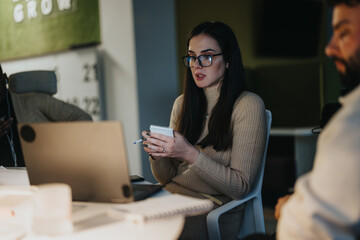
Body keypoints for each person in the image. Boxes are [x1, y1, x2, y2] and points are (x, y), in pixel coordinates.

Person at [141, 21, 267, 239]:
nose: (196, 65)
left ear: (227, 60)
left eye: (206, 56)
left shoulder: (248, 104)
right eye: (191, 57)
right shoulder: (182, 103)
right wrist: (158, 153)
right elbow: (166, 177)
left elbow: (241, 187)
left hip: (214, 207)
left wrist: (189, 153)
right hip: (171, 197)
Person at [274, 0, 360, 239]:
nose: (329, 48)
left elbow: (308, 231)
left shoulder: (351, 127)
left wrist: (289, 209)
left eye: (344, 33)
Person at [0, 64, 92, 167]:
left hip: (42, 176)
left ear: (4, 79)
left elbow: (83, 118)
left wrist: (59, 145)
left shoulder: (32, 102)